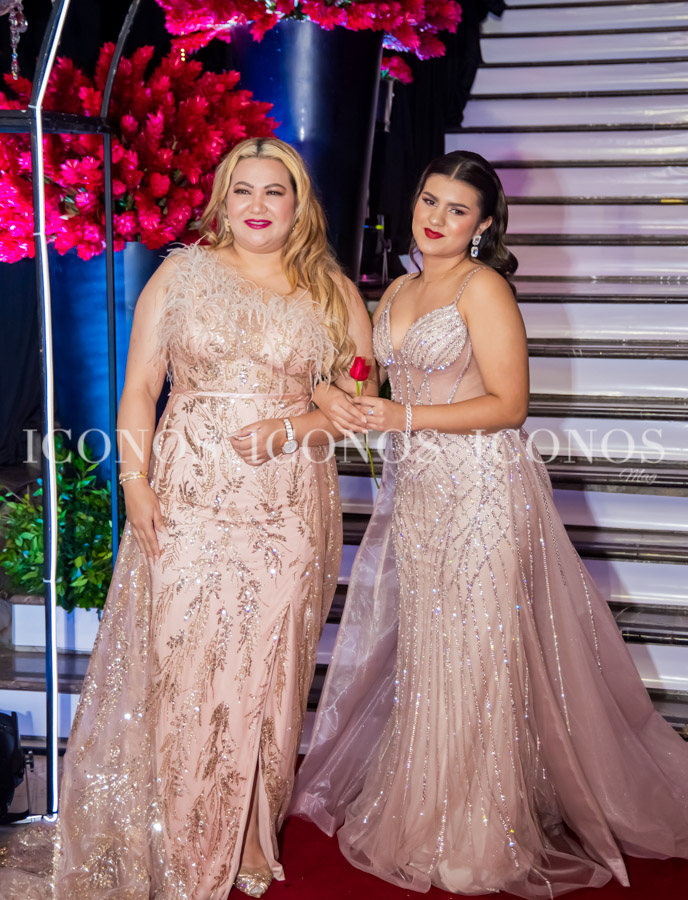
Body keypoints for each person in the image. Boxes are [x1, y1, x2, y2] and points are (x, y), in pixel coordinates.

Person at [291, 150, 688, 897]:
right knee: (432, 649)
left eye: (456, 209)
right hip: (417, 495)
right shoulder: (400, 288)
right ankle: (435, 804)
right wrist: (327, 390)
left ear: (481, 225)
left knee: (477, 652)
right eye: (429, 201)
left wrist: (403, 416)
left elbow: (509, 405)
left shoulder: (484, 287)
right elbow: (363, 375)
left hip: (481, 491)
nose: (436, 218)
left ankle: (478, 832)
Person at [0, 137, 374, 900]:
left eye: (275, 191)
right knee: (181, 655)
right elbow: (141, 387)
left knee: (267, 666)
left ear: (299, 204)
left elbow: (358, 399)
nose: (258, 206)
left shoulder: (332, 290)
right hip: (186, 492)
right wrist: (135, 483)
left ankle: (244, 836)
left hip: (286, 502)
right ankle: (172, 829)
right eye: (244, 190)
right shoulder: (181, 273)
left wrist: (297, 425)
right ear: (222, 201)